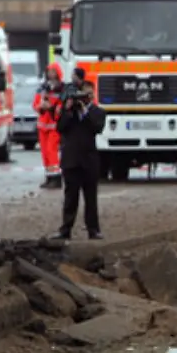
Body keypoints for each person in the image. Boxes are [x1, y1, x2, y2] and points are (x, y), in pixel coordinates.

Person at [51, 81, 107, 240]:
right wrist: (68, 109)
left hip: (89, 161)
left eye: (89, 95)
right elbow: (60, 127)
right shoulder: (69, 111)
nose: (85, 98)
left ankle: (93, 229)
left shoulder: (98, 112)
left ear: (93, 95)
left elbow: (97, 128)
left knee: (91, 198)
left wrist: (84, 112)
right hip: (71, 160)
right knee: (70, 197)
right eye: (83, 94)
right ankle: (65, 229)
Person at [32, 62, 64, 189]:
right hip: (43, 125)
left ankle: (56, 178)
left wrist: (52, 107)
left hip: (54, 125)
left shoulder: (62, 89)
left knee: (52, 151)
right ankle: (49, 177)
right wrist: (40, 106)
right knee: (45, 153)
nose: (51, 74)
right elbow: (35, 104)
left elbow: (62, 106)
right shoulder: (42, 88)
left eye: (53, 71)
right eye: (49, 71)